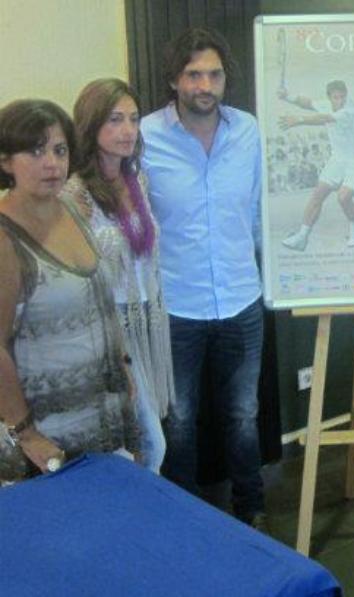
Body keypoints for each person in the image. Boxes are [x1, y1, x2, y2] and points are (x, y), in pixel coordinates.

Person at [141, 27, 266, 528]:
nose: (204, 85)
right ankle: (185, 520)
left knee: (243, 416)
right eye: (194, 74)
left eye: (213, 74)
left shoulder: (249, 130)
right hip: (177, 305)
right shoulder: (146, 137)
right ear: (175, 80)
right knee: (180, 421)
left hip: (241, 298)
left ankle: (252, 507)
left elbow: (258, 212)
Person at [0, 99, 139, 483]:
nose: (51, 163)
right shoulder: (4, 237)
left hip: (105, 411)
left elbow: (101, 301)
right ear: (6, 160)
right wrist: (26, 433)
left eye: (59, 150)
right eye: (36, 150)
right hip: (51, 433)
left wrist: (123, 364)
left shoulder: (71, 208)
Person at [64, 78, 176, 475]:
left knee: (147, 441)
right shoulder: (74, 193)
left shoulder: (136, 179)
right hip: (110, 333)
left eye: (133, 119)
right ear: (91, 125)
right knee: (145, 443)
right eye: (114, 120)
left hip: (147, 318)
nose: (128, 130)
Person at [279, 80, 354, 250]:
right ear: (329, 98)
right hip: (338, 159)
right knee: (317, 195)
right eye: (336, 98)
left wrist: (298, 120)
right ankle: (302, 237)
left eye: (343, 97)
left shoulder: (350, 111)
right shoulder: (325, 104)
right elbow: (307, 103)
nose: (340, 101)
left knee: (343, 197)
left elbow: (324, 118)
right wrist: (287, 97)